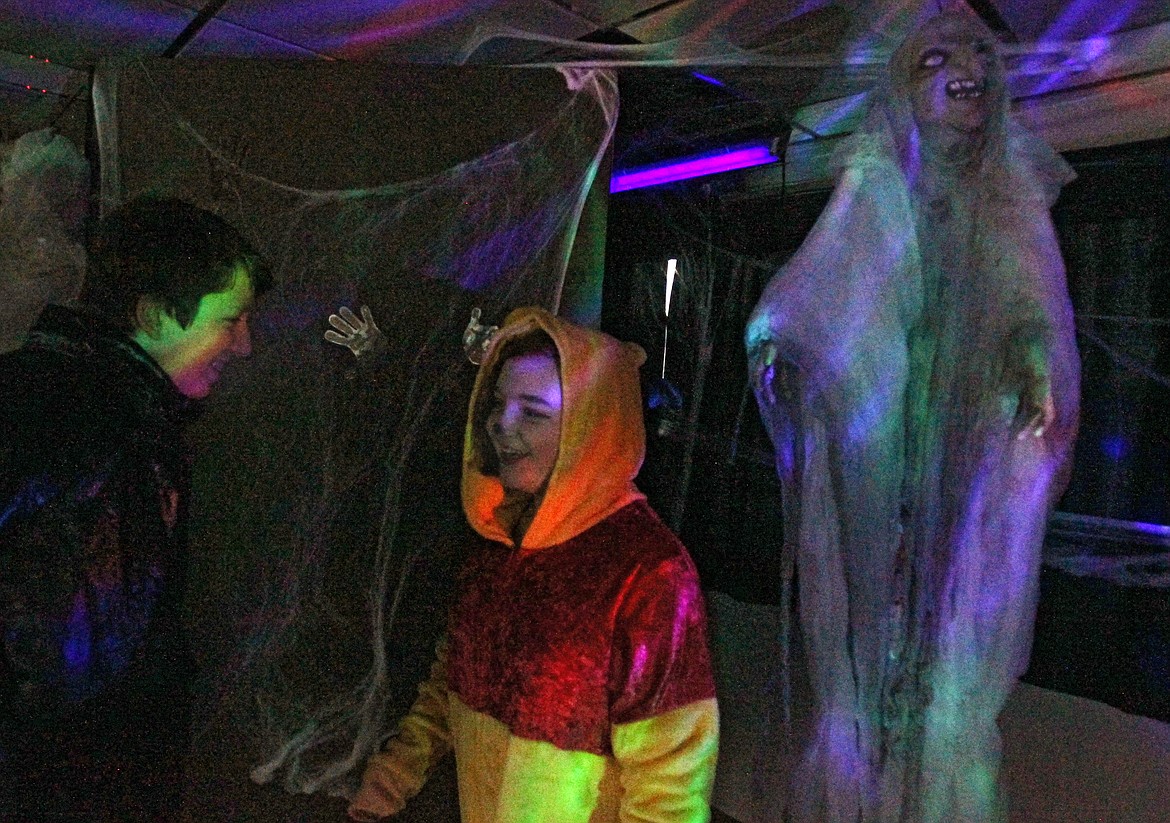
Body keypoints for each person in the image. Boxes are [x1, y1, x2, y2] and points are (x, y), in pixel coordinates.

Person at [744, 11, 1078, 823]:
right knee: (872, 648)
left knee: (946, 658)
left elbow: (1029, 304)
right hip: (881, 464)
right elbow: (811, 299)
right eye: (937, 56)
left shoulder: (1009, 197)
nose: (966, 67)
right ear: (903, 86)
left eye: (977, 54)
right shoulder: (877, 188)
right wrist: (790, 357)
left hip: (964, 465)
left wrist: (1033, 362)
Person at [345, 306, 719, 823]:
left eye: (534, 412)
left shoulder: (648, 574)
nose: (502, 424)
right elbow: (451, 683)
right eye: (497, 404)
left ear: (594, 428)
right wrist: (388, 783)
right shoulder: (499, 543)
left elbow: (670, 781)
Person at [0, 196, 271, 822]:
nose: (245, 345)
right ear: (153, 316)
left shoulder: (98, 407)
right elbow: (81, 660)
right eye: (229, 320)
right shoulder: (84, 421)